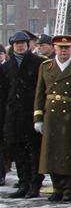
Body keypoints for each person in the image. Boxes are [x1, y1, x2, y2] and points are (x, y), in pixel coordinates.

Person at [33, 35, 71, 201]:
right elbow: (39, 93)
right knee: (52, 152)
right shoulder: (46, 66)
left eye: (67, 47)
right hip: (51, 113)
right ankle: (57, 186)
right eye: (60, 48)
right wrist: (38, 116)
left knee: (70, 152)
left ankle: (69, 188)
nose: (63, 51)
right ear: (54, 48)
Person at [1, 31, 46, 198]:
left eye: (23, 43)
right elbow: (4, 93)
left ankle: (35, 183)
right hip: (13, 115)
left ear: (28, 45)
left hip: (31, 112)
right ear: (12, 46)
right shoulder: (6, 67)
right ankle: (23, 182)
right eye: (16, 43)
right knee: (18, 151)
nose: (20, 46)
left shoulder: (39, 63)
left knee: (34, 151)